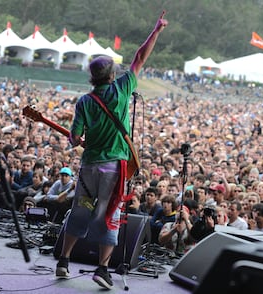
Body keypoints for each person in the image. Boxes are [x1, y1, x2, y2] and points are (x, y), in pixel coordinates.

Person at [55, 11, 168, 290]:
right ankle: (102, 269)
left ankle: (63, 261)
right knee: (110, 214)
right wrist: (156, 30)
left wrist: (77, 140)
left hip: (89, 167)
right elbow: (140, 58)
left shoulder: (85, 101)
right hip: (113, 168)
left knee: (80, 211)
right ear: (113, 75)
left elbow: (74, 137)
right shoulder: (122, 90)